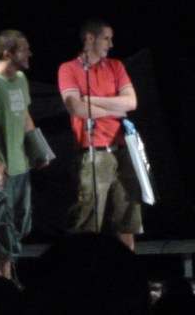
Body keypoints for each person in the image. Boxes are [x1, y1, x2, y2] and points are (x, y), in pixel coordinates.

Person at [0, 30, 49, 286]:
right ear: (7, 54)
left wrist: (38, 150)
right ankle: (3, 280)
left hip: (19, 164)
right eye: (24, 50)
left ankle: (6, 271)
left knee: (20, 223)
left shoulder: (21, 79)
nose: (29, 54)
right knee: (2, 223)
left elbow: (25, 115)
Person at [57, 19, 142, 250]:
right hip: (94, 151)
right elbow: (76, 108)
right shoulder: (69, 68)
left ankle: (126, 269)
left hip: (123, 149)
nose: (110, 44)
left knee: (128, 218)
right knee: (88, 219)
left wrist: (91, 100)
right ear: (90, 39)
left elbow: (131, 102)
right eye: (106, 38)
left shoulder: (116, 66)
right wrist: (113, 109)